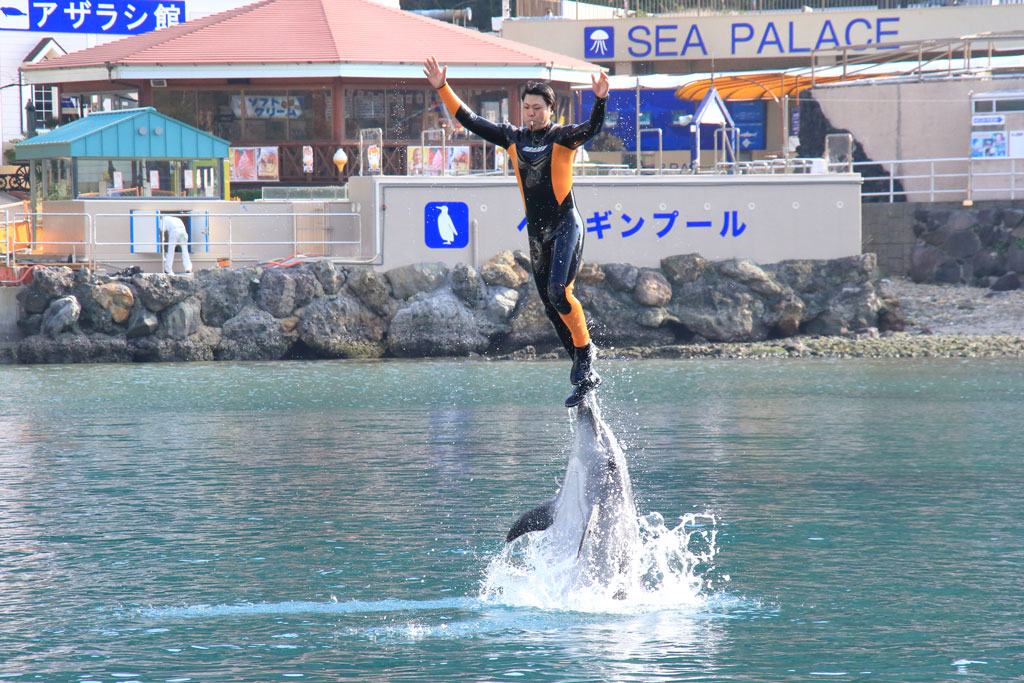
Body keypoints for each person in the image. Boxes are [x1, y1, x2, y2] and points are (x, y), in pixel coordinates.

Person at [423, 56, 609, 407]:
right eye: (526, 108)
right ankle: (584, 375)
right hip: (538, 235)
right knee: (552, 307)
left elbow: (593, 129)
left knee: (558, 291)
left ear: (551, 109)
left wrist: (600, 100)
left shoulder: (563, 138)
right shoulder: (513, 138)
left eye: (537, 108)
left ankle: (585, 358)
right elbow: (470, 120)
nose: (531, 114)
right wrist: (441, 88)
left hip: (566, 226)